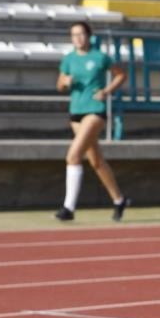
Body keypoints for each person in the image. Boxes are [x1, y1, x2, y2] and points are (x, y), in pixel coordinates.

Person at [55, 21, 130, 222]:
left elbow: (121, 74)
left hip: (95, 111)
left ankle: (68, 208)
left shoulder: (99, 57)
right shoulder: (68, 59)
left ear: (89, 36)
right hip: (76, 111)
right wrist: (65, 82)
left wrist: (106, 91)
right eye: (73, 35)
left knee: (73, 156)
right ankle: (119, 199)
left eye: (81, 34)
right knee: (96, 161)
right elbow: (59, 85)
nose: (78, 38)